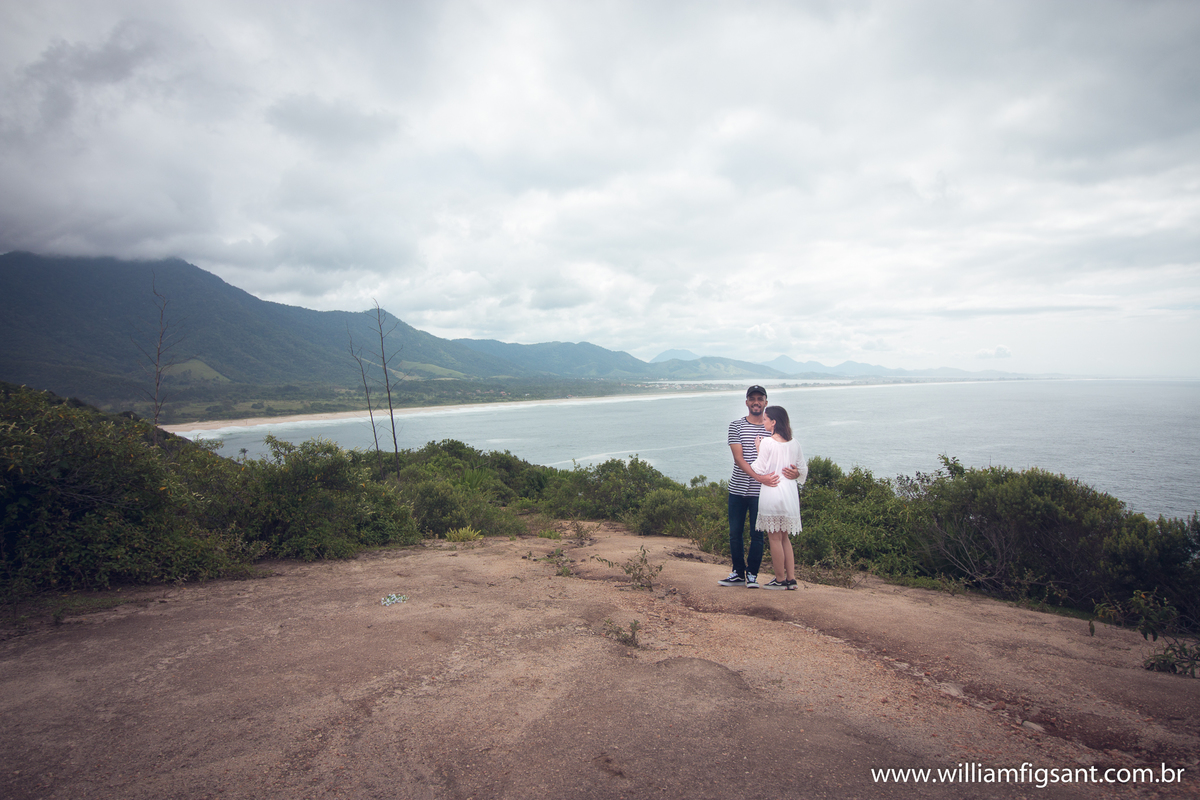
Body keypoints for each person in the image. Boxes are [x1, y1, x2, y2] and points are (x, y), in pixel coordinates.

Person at [719, 386, 800, 589]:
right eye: (752, 399)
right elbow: (739, 459)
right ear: (747, 402)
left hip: (762, 492)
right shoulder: (736, 426)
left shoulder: (772, 429)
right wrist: (760, 477)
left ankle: (752, 575)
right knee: (735, 532)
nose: (756, 402)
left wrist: (796, 473)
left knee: (758, 535)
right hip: (738, 487)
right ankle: (738, 572)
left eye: (760, 399)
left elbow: (788, 458)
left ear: (765, 402)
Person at [750, 406, 807, 590]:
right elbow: (802, 471)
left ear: (774, 422)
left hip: (772, 491)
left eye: (766, 419)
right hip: (789, 494)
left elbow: (759, 469)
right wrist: (795, 473)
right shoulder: (794, 443)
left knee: (774, 539)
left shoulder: (767, 443)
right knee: (785, 539)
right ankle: (791, 579)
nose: (763, 422)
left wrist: (758, 449)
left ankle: (779, 579)